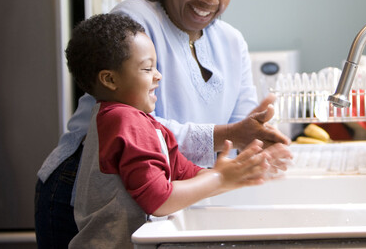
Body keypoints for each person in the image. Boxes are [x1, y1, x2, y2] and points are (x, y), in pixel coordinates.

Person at [35, 0, 291, 248]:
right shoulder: (134, 22)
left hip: (159, 189)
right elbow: (143, 131)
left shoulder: (232, 41)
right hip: (87, 188)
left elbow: (239, 125)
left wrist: (258, 142)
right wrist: (227, 145)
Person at [64, 13, 279, 248]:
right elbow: (158, 200)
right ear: (110, 79)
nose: (158, 75)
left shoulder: (143, 123)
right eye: (147, 69)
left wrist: (236, 175)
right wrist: (220, 178)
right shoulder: (124, 120)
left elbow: (185, 172)